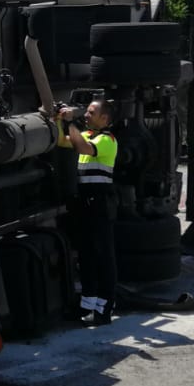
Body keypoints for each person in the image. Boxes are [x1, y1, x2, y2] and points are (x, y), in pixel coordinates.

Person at [57, 98, 119, 325]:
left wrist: (70, 122)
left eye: (91, 112)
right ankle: (86, 308)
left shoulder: (107, 140)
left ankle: (104, 309)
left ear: (104, 118)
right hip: (85, 203)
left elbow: (80, 146)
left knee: (104, 256)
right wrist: (57, 119)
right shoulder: (87, 135)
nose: (87, 115)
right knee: (87, 256)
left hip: (101, 204)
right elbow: (62, 141)